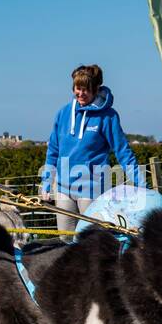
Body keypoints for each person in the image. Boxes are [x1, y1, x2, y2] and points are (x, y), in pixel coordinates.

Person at [39, 64, 142, 232]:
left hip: (92, 189)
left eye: (86, 90)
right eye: (77, 89)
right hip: (63, 189)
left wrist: (140, 184)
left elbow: (123, 153)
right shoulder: (63, 113)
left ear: (96, 89)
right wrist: (47, 183)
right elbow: (53, 151)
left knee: (90, 242)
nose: (80, 94)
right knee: (65, 239)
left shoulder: (108, 117)